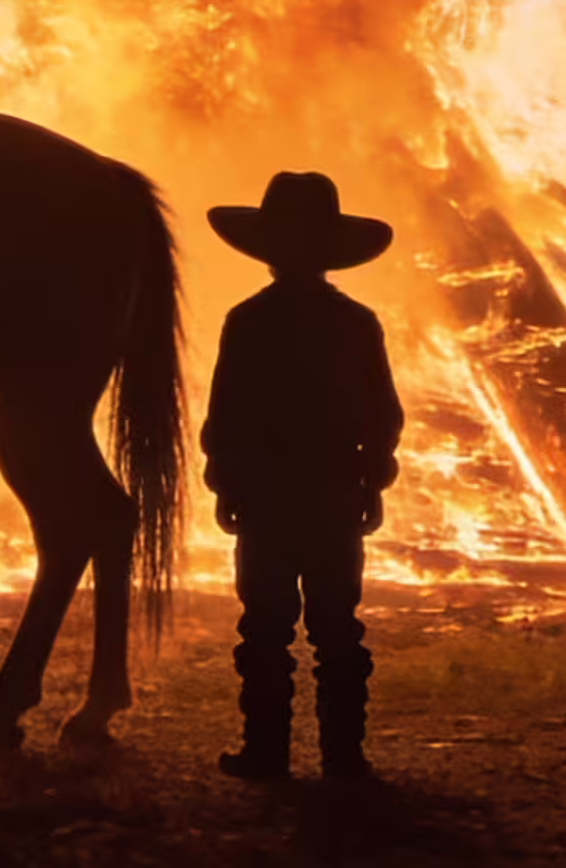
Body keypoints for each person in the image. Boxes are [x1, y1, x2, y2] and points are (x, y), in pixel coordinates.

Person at [199, 169, 404, 784]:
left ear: (268, 251)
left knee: (264, 630)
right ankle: (344, 759)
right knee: (338, 631)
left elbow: (225, 414)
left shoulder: (248, 320)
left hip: (265, 496)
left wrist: (225, 485)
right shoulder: (357, 322)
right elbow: (383, 414)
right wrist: (372, 481)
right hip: (333, 495)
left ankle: (266, 754)